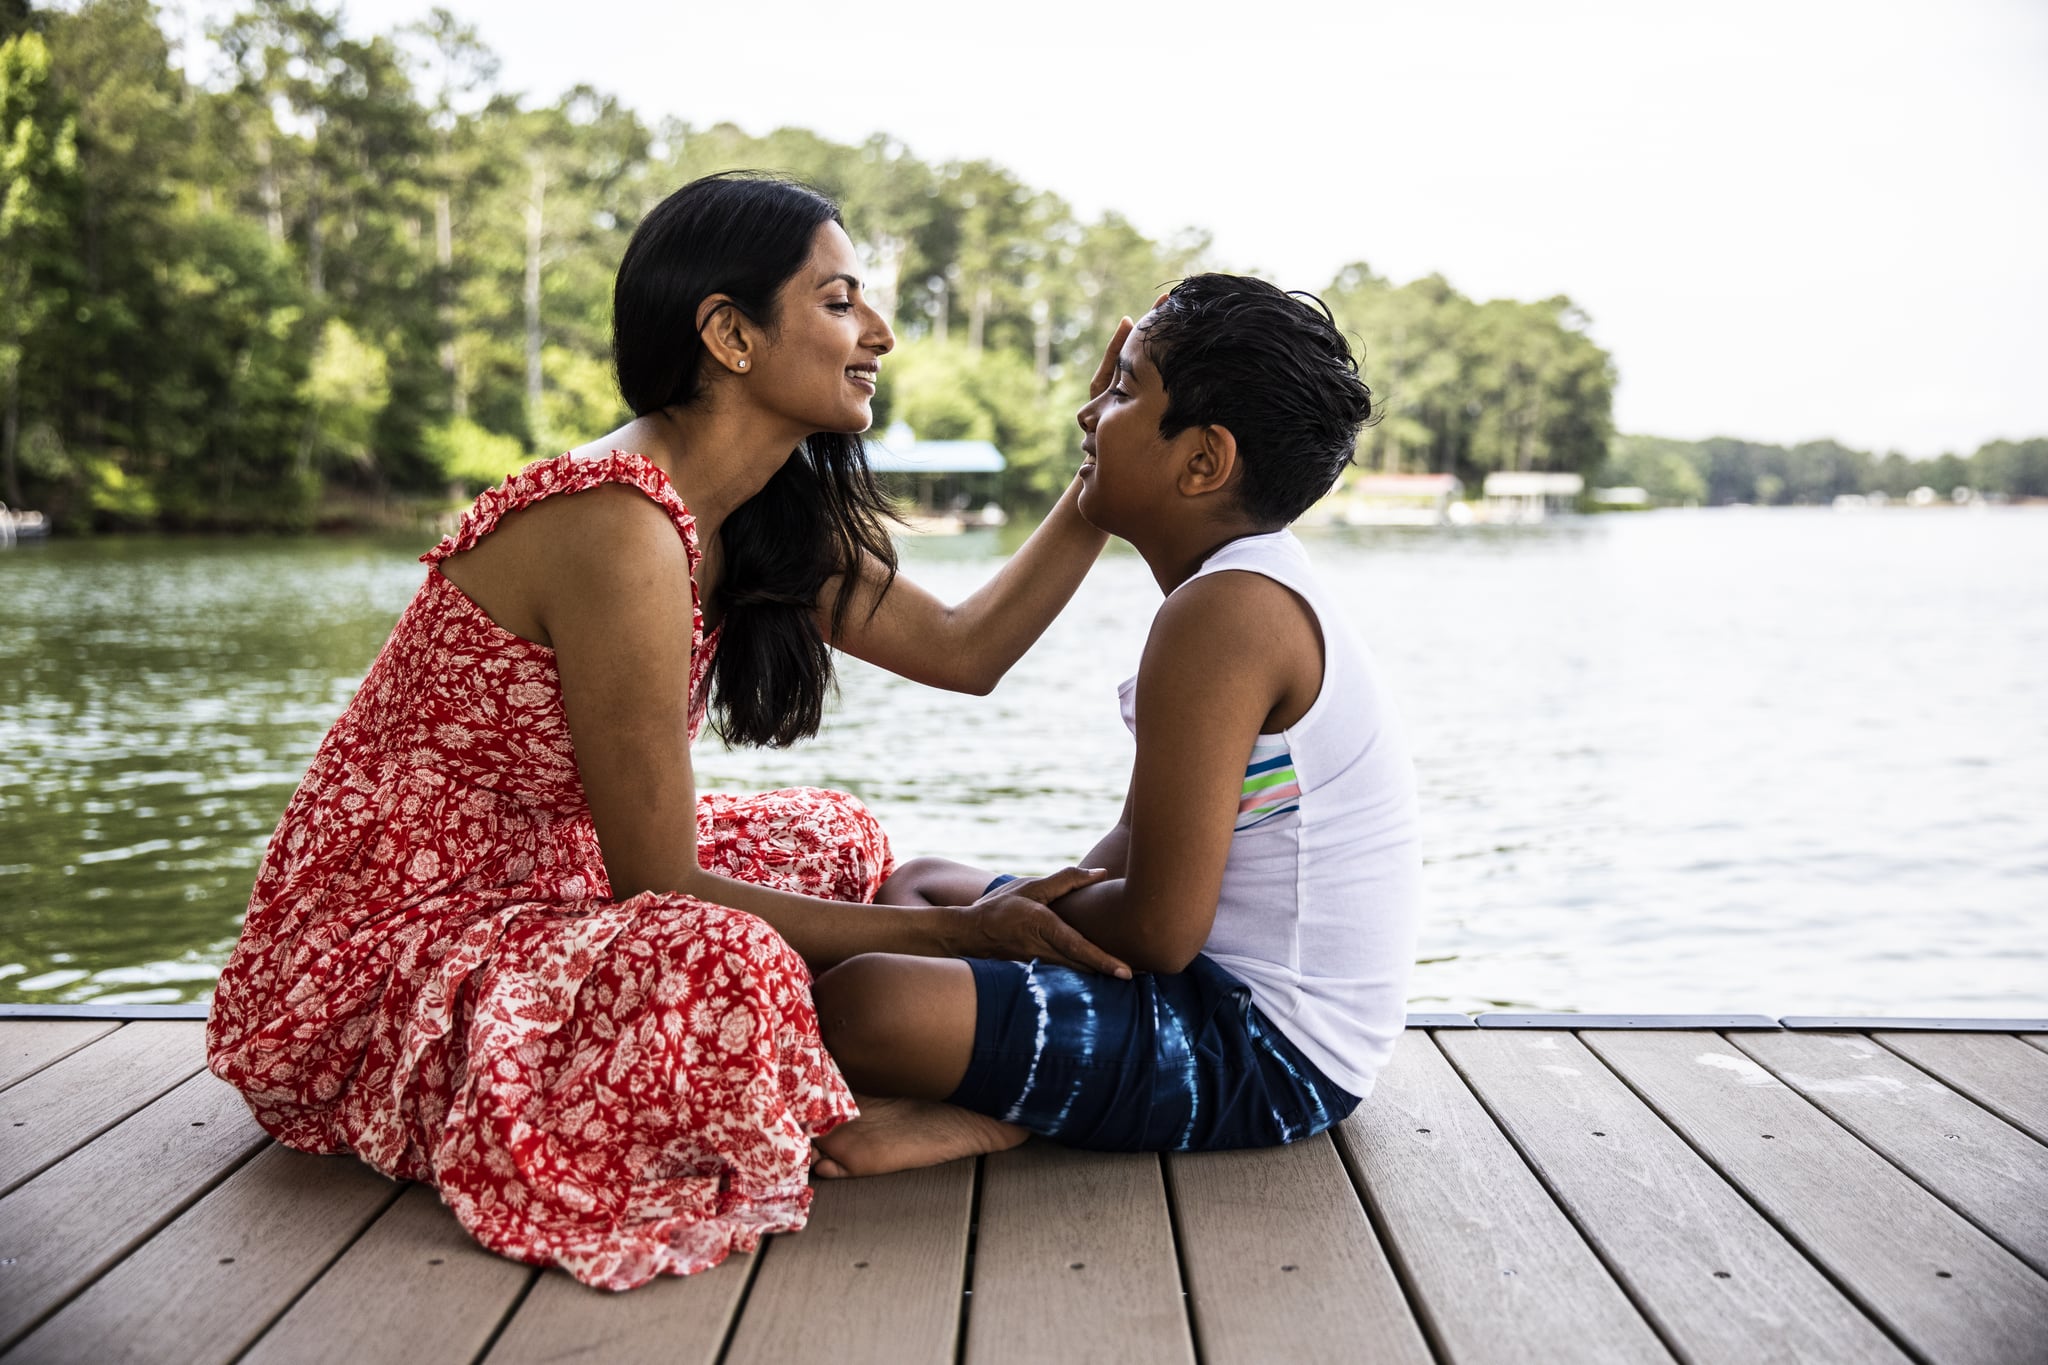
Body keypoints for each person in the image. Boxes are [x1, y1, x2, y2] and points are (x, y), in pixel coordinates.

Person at [205, 172, 1130, 1291]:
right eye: (840, 303)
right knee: (719, 950)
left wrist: (1101, 475)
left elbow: (967, 652)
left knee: (829, 836)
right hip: (371, 963)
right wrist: (970, 936)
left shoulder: (753, 511)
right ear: (730, 334)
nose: (876, 334)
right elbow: (661, 879)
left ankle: (813, 1070)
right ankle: (833, 1100)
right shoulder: (616, 521)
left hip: (550, 885)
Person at [808, 274, 1421, 1177]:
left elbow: (1161, 929)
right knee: (923, 885)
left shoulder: (1226, 615)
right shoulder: (1234, 588)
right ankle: (999, 1096)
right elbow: (1135, 842)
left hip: (1271, 1053)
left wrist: (1017, 922)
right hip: (1194, 980)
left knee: (861, 1002)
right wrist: (1008, 916)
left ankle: (1005, 1109)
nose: (1090, 415)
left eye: (1126, 388)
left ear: (1204, 461)